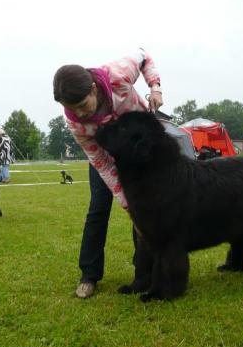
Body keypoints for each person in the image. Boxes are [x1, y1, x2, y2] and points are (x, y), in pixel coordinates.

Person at [53, 48, 163, 299]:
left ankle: (145, 273)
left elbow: (144, 55)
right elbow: (100, 162)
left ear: (93, 88)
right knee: (99, 208)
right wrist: (127, 204)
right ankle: (89, 275)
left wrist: (155, 87)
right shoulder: (76, 124)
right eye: (71, 109)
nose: (80, 114)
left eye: (82, 105)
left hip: (143, 151)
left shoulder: (119, 73)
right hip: (108, 159)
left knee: (148, 209)